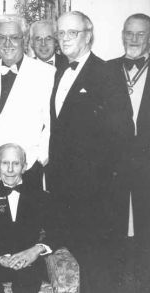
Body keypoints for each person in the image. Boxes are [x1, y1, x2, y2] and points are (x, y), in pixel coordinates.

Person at [47, 11, 133, 293]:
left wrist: (103, 193)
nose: (65, 39)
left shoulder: (106, 73)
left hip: (97, 200)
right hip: (66, 196)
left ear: (89, 34)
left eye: (72, 33)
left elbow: (120, 137)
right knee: (79, 270)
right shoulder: (60, 70)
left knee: (99, 273)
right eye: (61, 33)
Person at [0, 14, 54, 190]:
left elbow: (51, 123)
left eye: (14, 38)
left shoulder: (46, 73)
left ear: (24, 40)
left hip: (27, 168)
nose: (7, 43)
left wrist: (39, 158)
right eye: (2, 38)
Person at [0, 143, 56, 293]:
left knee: (27, 284)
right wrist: (1, 257)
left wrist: (35, 251)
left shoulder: (39, 196)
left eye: (15, 163)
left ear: (24, 166)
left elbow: (58, 230)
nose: (9, 169)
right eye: (5, 163)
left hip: (27, 262)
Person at [106, 13, 150, 293]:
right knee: (116, 229)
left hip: (147, 163)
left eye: (141, 34)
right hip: (115, 165)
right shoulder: (107, 70)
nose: (133, 39)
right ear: (122, 34)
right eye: (129, 33)